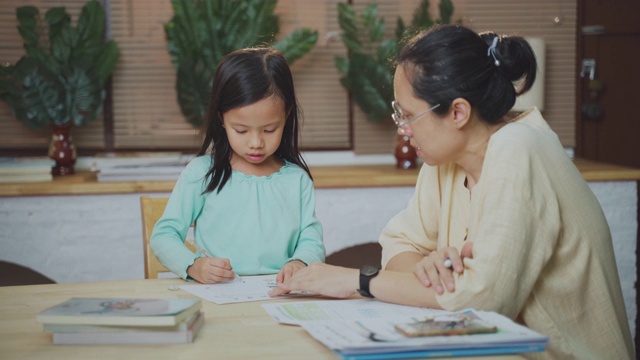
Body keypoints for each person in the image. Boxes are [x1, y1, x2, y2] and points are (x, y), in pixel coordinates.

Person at [270, 24, 634, 359]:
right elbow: (398, 244)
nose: (403, 131)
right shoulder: (443, 160)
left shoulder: (520, 148)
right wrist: (431, 270)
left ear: (457, 112)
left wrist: (357, 280)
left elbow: (483, 301)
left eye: (407, 115)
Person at [151, 48, 325, 285]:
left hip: (280, 295)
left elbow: (311, 238)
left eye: (269, 129)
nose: (256, 143)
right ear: (221, 118)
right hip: (218, 294)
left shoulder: (297, 180)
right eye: (241, 130)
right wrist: (194, 266)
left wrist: (300, 262)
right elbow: (164, 236)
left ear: (287, 116)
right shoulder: (202, 173)